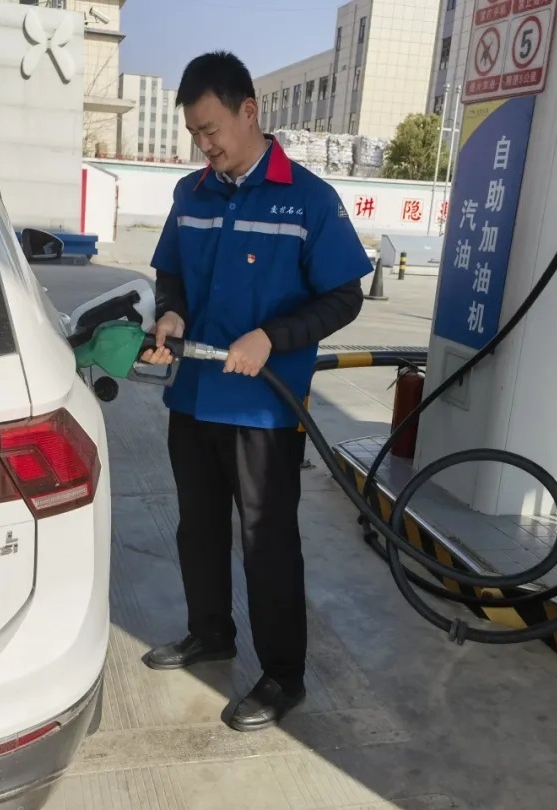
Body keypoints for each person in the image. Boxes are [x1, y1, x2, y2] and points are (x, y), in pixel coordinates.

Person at [140, 51, 373, 732]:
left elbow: (344, 297)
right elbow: (170, 275)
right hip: (194, 396)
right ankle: (211, 632)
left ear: (249, 112)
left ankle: (282, 675)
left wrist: (273, 337)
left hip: (265, 408)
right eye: (194, 133)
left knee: (266, 540)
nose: (204, 145)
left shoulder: (308, 200)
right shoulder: (192, 194)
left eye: (211, 129)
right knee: (199, 527)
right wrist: (171, 314)